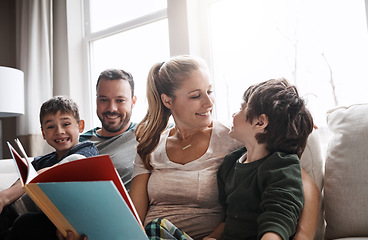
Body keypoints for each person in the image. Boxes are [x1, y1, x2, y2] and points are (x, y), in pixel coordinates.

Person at [129, 55, 320, 240]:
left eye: (209, 91)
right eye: (196, 96)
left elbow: (301, 183)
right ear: (167, 101)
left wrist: (303, 236)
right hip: (154, 234)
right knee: (153, 228)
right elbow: (134, 216)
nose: (209, 102)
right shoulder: (150, 145)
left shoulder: (235, 137)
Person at [217, 78, 313, 240]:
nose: (234, 114)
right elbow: (228, 220)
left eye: (241, 108)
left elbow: (280, 216)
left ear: (260, 122)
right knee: (159, 226)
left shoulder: (282, 166)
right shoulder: (230, 163)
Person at [0, 96, 98, 240]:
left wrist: (5, 196)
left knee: (25, 223)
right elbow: (18, 183)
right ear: (44, 133)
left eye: (66, 124)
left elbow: (66, 168)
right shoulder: (42, 161)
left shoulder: (87, 149)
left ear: (80, 126)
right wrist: (5, 196)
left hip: (64, 217)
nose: (59, 131)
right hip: (20, 212)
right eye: (51, 126)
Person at [79, 68, 138, 190]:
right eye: (104, 100)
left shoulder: (149, 135)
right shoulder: (79, 142)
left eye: (120, 100)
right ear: (96, 101)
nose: (112, 108)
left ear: (133, 101)